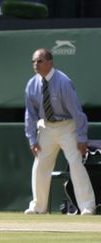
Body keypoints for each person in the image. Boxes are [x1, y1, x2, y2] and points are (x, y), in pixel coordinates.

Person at [24, 48, 96, 215]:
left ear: (50, 62)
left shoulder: (63, 82)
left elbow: (76, 111)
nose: (35, 64)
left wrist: (81, 136)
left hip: (67, 126)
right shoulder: (32, 84)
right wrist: (32, 139)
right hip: (46, 127)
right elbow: (30, 114)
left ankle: (87, 206)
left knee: (75, 163)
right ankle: (38, 207)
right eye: (33, 61)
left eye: (39, 61)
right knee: (40, 165)